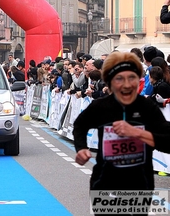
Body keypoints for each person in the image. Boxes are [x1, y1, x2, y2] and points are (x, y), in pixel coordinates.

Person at [73, 52, 170, 212]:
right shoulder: (100, 106)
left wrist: (138, 133)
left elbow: (168, 140)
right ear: (110, 82)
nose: (126, 85)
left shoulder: (146, 108)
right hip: (104, 183)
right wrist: (81, 148)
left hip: (140, 185)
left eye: (131, 78)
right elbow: (80, 125)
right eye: (119, 79)